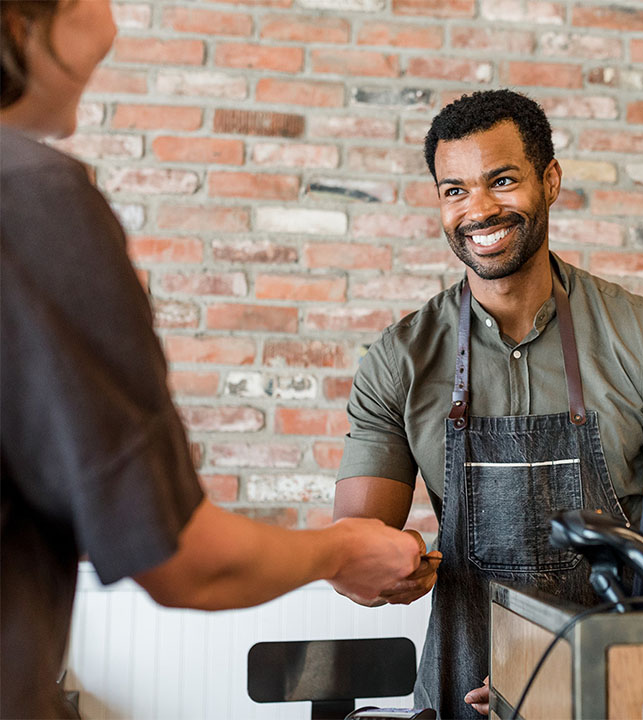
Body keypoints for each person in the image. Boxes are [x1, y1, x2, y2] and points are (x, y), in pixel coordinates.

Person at [0, 3, 420, 717]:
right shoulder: (35, 199)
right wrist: (341, 549)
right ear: (25, 22)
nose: (111, 25)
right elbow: (184, 561)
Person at [332, 89, 643, 718]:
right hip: (463, 682)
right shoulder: (400, 359)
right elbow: (354, 550)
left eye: (501, 181)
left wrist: (556, 675)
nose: (478, 210)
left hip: (613, 682)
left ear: (550, 180)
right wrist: (377, 573)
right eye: (454, 190)